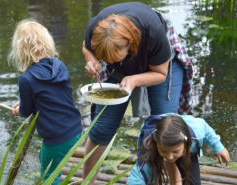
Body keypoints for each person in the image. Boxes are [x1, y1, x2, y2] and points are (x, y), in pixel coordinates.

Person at [82, 2, 193, 183]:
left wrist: (134, 79)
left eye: (113, 57)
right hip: (124, 61)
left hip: (163, 65)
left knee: (165, 126)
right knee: (102, 127)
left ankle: (176, 182)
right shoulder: (97, 28)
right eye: (105, 58)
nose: (108, 62)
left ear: (130, 43)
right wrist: (93, 61)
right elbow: (86, 47)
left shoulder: (153, 32)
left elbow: (160, 73)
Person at [8, 19, 82, 184]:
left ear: (20, 48)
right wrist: (24, 104)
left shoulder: (26, 79)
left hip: (57, 137)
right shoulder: (59, 65)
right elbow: (51, 96)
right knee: (45, 157)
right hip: (76, 128)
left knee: (49, 176)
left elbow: (27, 111)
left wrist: (19, 110)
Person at [127, 114, 230, 185]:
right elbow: (137, 178)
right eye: (164, 151)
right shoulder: (148, 150)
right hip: (157, 147)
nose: (170, 157)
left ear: (185, 145)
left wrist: (219, 147)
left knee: (193, 182)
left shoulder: (196, 134)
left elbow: (205, 127)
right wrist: (165, 152)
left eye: (175, 151)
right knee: (149, 176)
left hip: (184, 140)